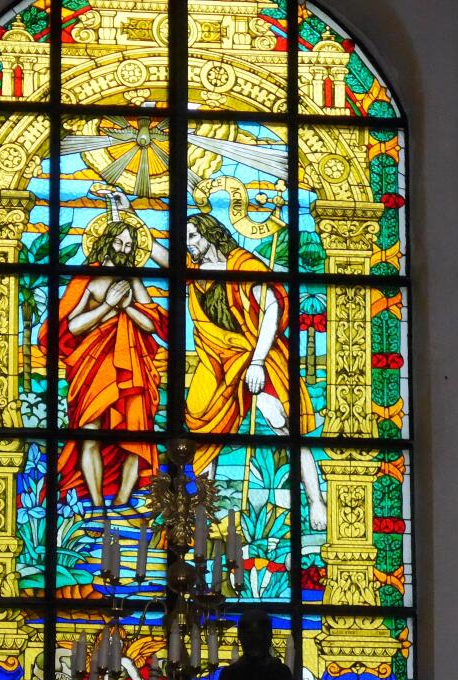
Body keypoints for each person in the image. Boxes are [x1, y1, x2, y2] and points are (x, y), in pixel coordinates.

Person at [118, 190, 326, 530]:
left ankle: (316, 501)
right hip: (216, 360)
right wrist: (130, 216)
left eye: (192, 237)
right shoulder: (194, 269)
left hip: (257, 354)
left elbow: (272, 308)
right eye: (184, 240)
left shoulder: (244, 265)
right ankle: (199, 514)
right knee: (201, 428)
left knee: (283, 423)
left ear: (210, 235)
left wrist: (258, 362)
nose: (187, 245)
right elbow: (157, 252)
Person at [43, 187, 168, 509]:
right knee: (90, 432)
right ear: (106, 241)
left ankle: (123, 503)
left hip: (133, 368)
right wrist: (108, 306)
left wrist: (126, 307)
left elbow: (151, 324)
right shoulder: (88, 278)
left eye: (129, 245)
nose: (124, 249)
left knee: (136, 436)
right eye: (119, 242)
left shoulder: (133, 280)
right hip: (94, 365)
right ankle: (97, 505)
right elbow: (71, 326)